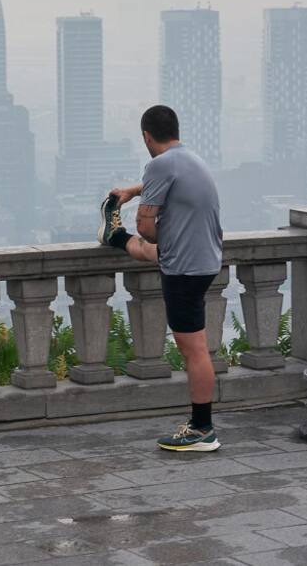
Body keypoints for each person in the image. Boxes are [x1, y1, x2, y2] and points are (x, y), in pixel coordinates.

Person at [99, 104, 224, 452]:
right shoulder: (188, 158)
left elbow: (147, 228)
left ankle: (202, 429)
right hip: (204, 258)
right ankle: (112, 237)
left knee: (194, 350)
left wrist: (148, 225)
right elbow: (167, 183)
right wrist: (135, 192)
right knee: (150, 252)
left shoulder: (159, 163)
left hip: (184, 269)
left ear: (146, 136)